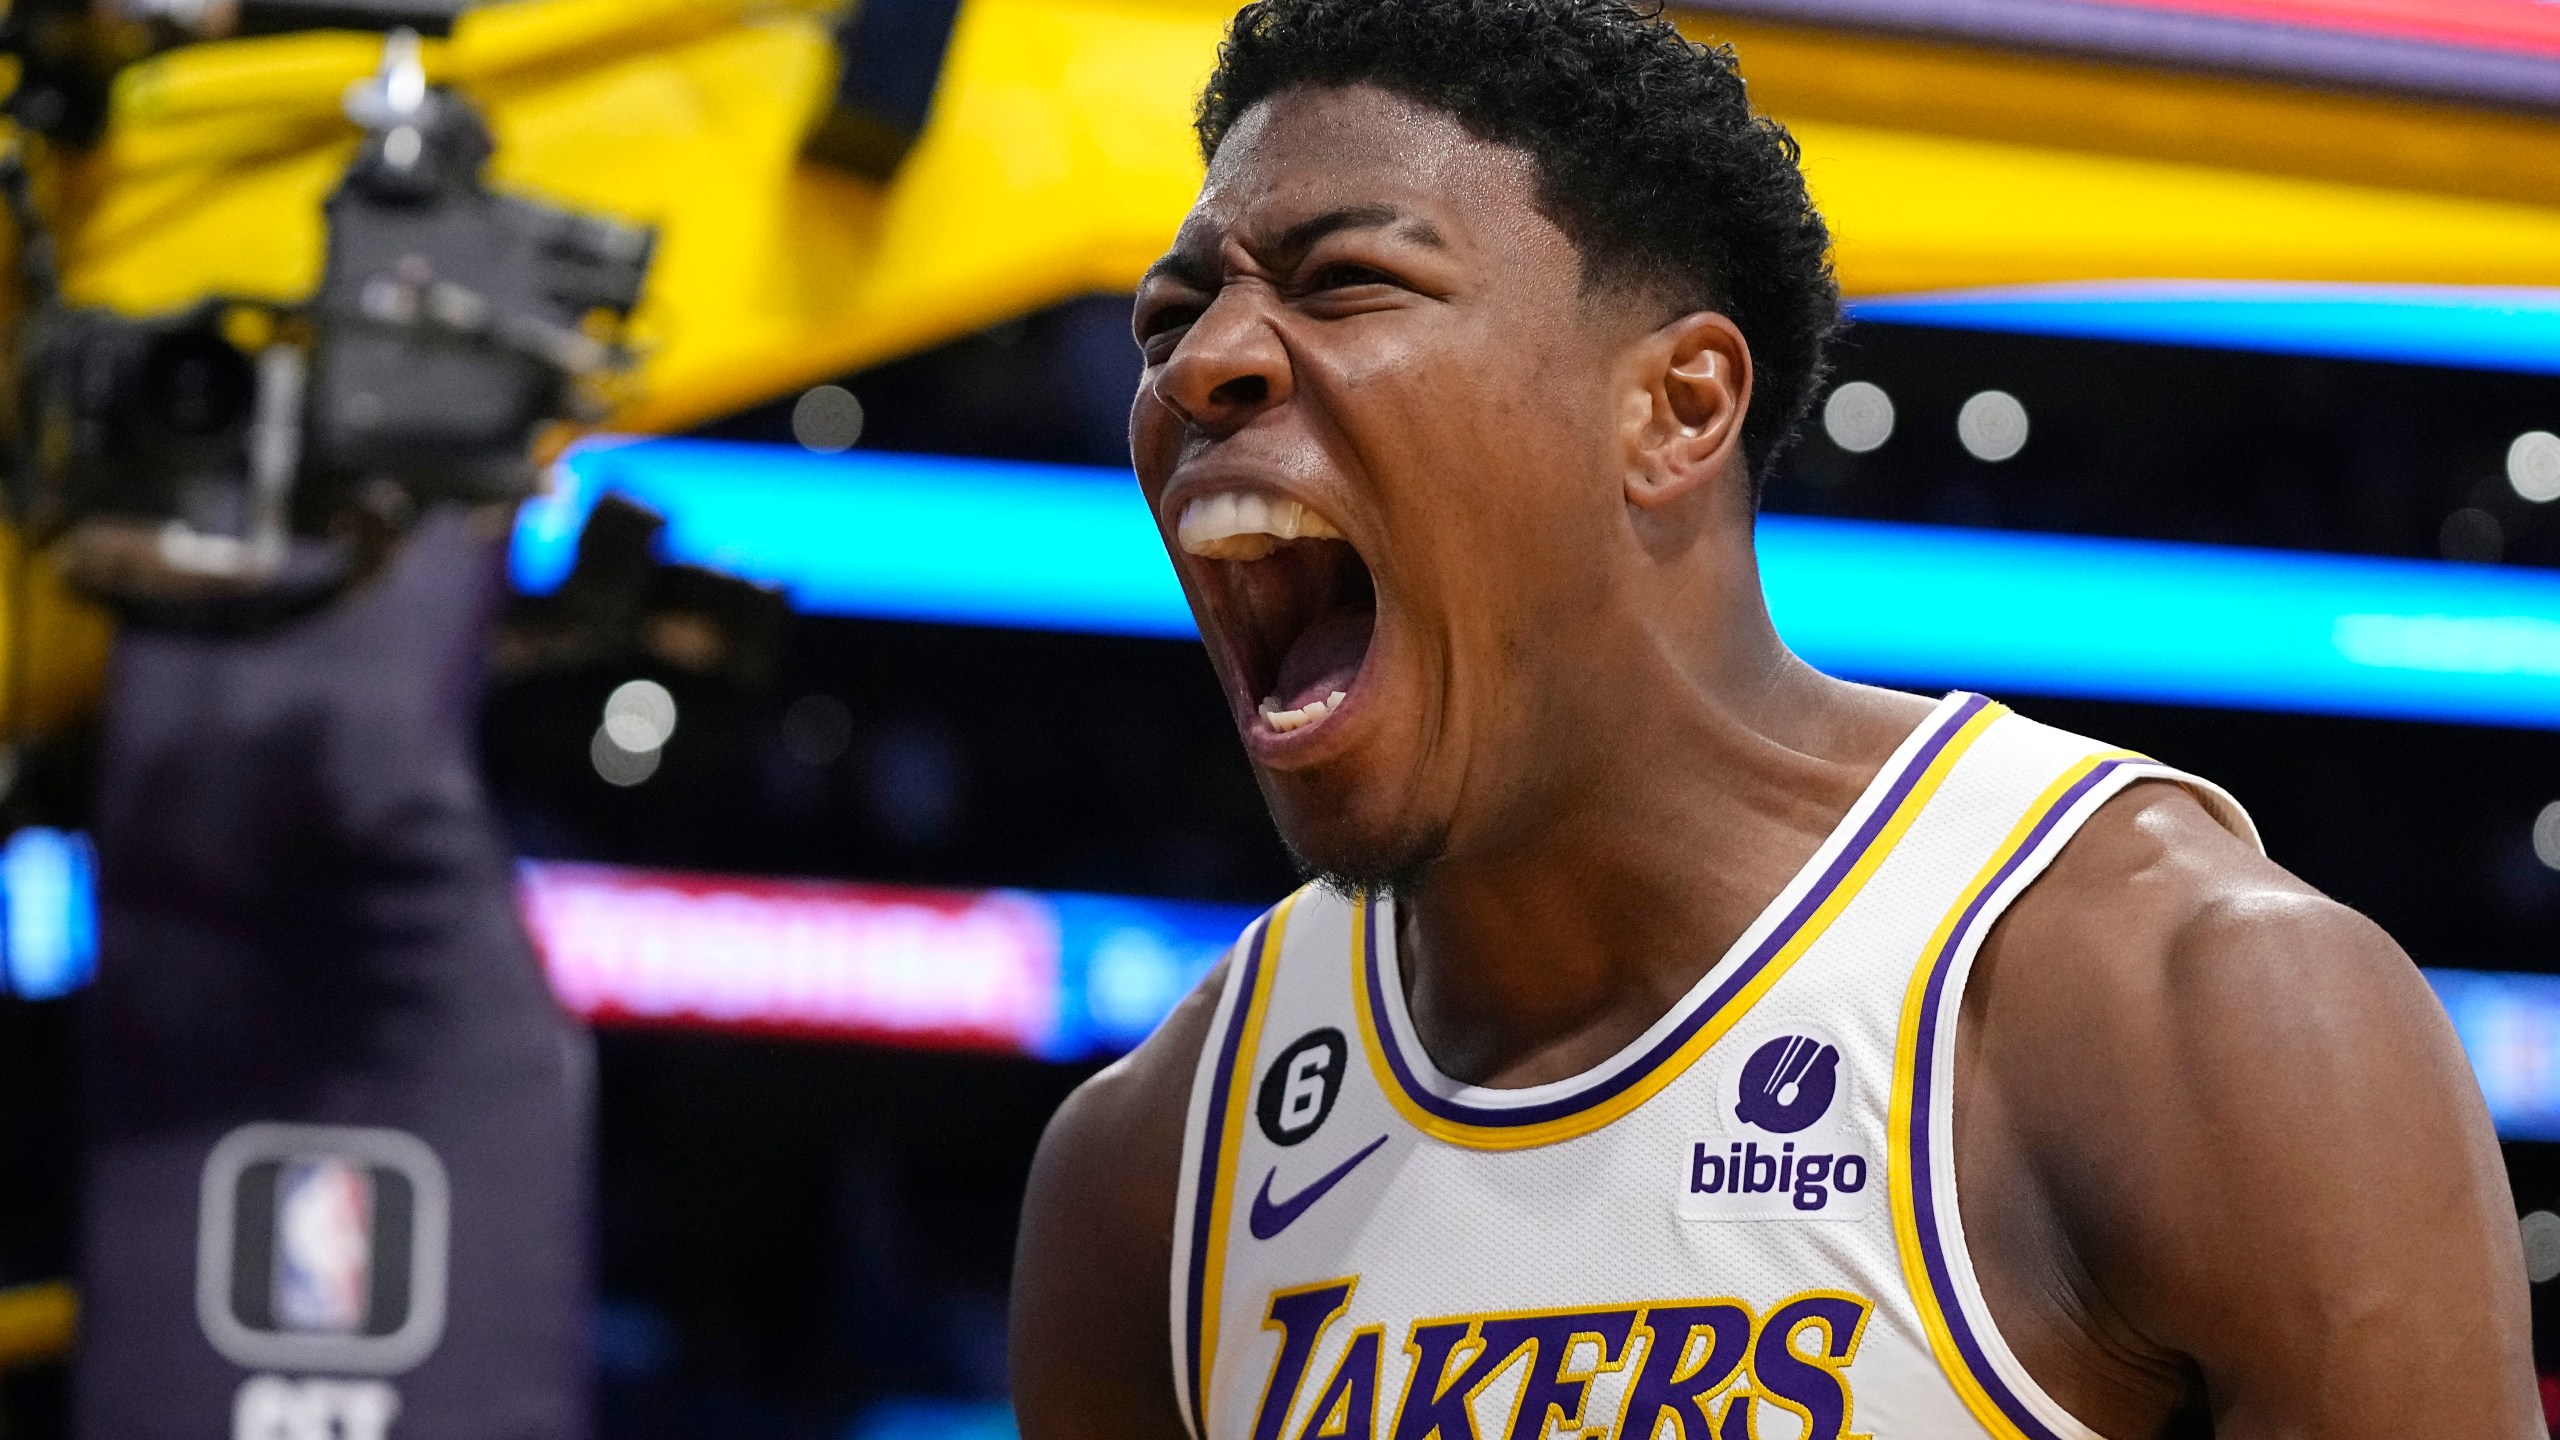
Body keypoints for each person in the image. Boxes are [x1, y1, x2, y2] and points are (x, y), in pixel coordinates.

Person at [1009, 1, 2540, 1435]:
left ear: (1676, 409)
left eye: (1348, 280)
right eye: (1171, 317)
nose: (1200, 362)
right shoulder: (1150, 1175)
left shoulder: (2185, 1011)